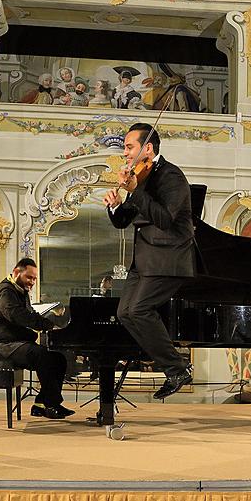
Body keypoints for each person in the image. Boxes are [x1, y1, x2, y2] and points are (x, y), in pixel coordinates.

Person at [103, 122, 196, 399]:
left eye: (129, 147)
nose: (126, 154)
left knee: (140, 310)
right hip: (143, 260)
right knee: (124, 313)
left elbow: (166, 219)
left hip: (167, 258)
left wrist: (136, 190)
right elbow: (123, 222)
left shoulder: (171, 176)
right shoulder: (140, 176)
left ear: (148, 148)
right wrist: (115, 205)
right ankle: (174, 367)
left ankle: (176, 368)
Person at [0, 258, 74, 419]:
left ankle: (41, 404)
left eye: (35, 278)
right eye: (29, 277)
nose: (32, 282)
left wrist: (52, 325)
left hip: (10, 343)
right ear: (16, 273)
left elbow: (31, 315)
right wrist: (48, 326)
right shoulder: (5, 291)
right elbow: (16, 315)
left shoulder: (21, 292)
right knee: (42, 356)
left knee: (58, 359)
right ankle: (51, 404)